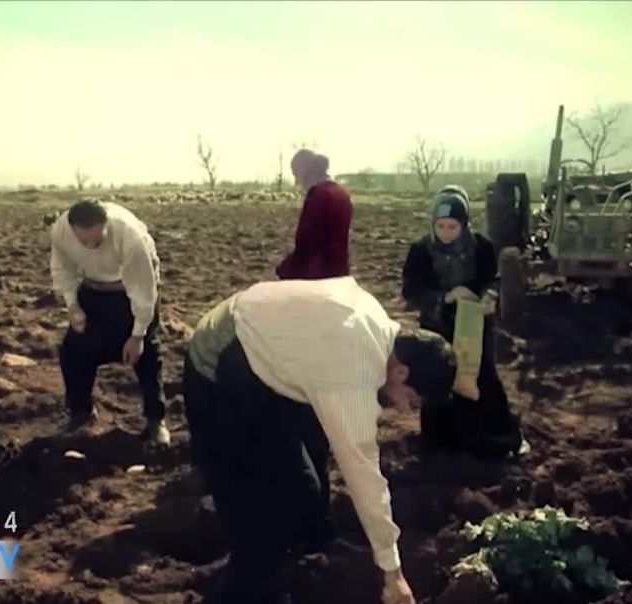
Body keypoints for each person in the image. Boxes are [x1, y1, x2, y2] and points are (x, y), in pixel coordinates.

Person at [183, 276, 461, 604]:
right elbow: (364, 475)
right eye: (410, 400)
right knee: (266, 513)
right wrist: (393, 572)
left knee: (312, 460)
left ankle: (315, 541)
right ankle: (240, 587)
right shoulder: (353, 370)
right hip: (219, 361)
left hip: (269, 348)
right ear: (401, 373)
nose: (403, 409)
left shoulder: (378, 328)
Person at [401, 186, 526, 459]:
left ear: (464, 224)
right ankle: (441, 443)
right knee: (440, 378)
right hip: (438, 326)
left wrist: (490, 297)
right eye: (441, 225)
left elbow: (493, 280)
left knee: (480, 374)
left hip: (475, 323)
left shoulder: (481, 247)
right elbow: (411, 292)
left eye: (452, 226)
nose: (446, 232)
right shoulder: (421, 251)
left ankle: (491, 439)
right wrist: (445, 297)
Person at [50, 199, 170, 444]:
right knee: (73, 351)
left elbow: (143, 291)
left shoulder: (130, 236)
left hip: (131, 286)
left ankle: (156, 421)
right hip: (93, 286)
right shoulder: (61, 232)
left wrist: (137, 336)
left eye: (97, 239)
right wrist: (73, 306)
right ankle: (80, 412)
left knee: (146, 353)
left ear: (105, 224)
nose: (90, 245)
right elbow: (64, 269)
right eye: (83, 241)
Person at [275, 149, 353, 280]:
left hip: (317, 275)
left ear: (304, 172)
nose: (296, 182)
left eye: (296, 175)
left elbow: (306, 243)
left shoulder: (318, 196)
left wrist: (284, 270)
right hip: (339, 273)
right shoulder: (342, 194)